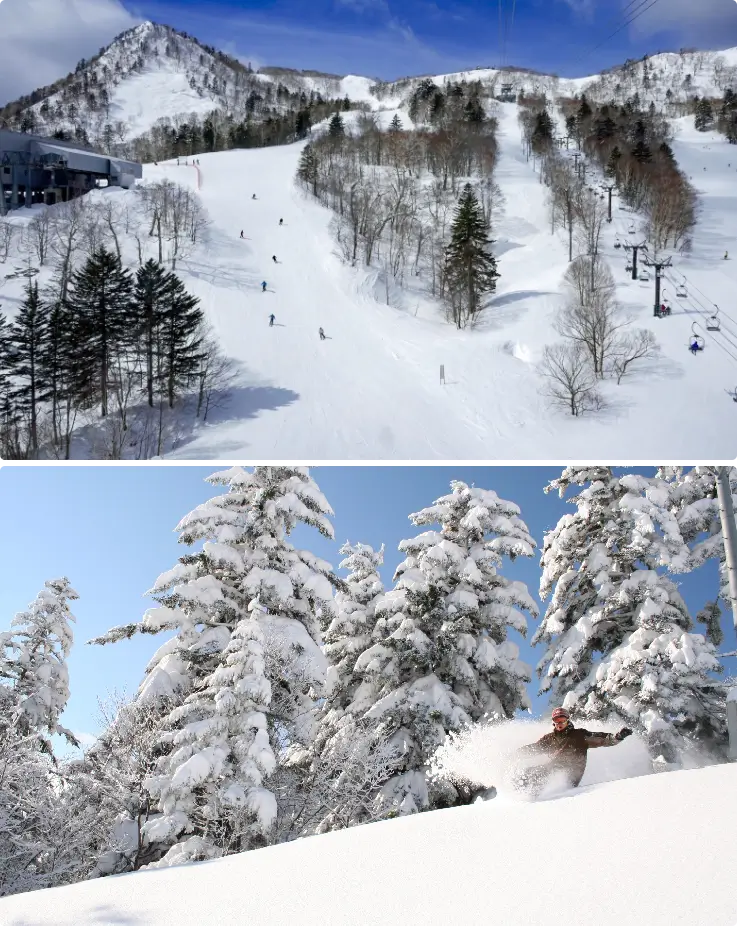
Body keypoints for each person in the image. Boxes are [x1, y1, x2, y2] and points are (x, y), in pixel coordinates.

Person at [515, 707, 632, 796]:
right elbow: (535, 748)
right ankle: (522, 796)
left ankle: (535, 796)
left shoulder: (579, 735)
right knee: (528, 772)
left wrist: (617, 737)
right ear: (553, 722)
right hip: (553, 767)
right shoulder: (550, 738)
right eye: (556, 720)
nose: (559, 723)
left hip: (571, 774)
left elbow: (601, 739)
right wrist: (517, 754)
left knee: (544, 774)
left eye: (562, 720)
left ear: (567, 720)